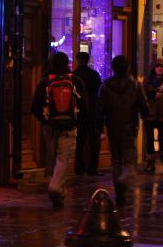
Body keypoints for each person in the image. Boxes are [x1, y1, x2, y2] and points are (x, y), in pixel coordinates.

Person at [30, 52, 82, 208]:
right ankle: (55, 188)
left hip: (50, 127)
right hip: (69, 126)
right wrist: (77, 120)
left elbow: (34, 107)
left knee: (55, 159)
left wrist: (45, 121)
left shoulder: (45, 82)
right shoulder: (74, 81)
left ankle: (59, 192)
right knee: (63, 160)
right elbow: (84, 103)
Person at [96, 55, 148, 206]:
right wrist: (145, 118)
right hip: (130, 127)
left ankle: (119, 194)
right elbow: (143, 106)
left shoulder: (106, 85)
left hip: (112, 127)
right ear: (127, 67)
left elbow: (99, 109)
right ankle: (123, 180)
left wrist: (99, 128)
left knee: (116, 160)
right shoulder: (135, 85)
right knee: (129, 161)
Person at [72, 51, 102, 176]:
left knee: (80, 141)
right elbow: (98, 95)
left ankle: (78, 167)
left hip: (78, 112)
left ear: (77, 60)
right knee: (94, 142)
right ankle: (92, 168)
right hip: (93, 111)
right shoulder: (94, 75)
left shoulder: (73, 75)